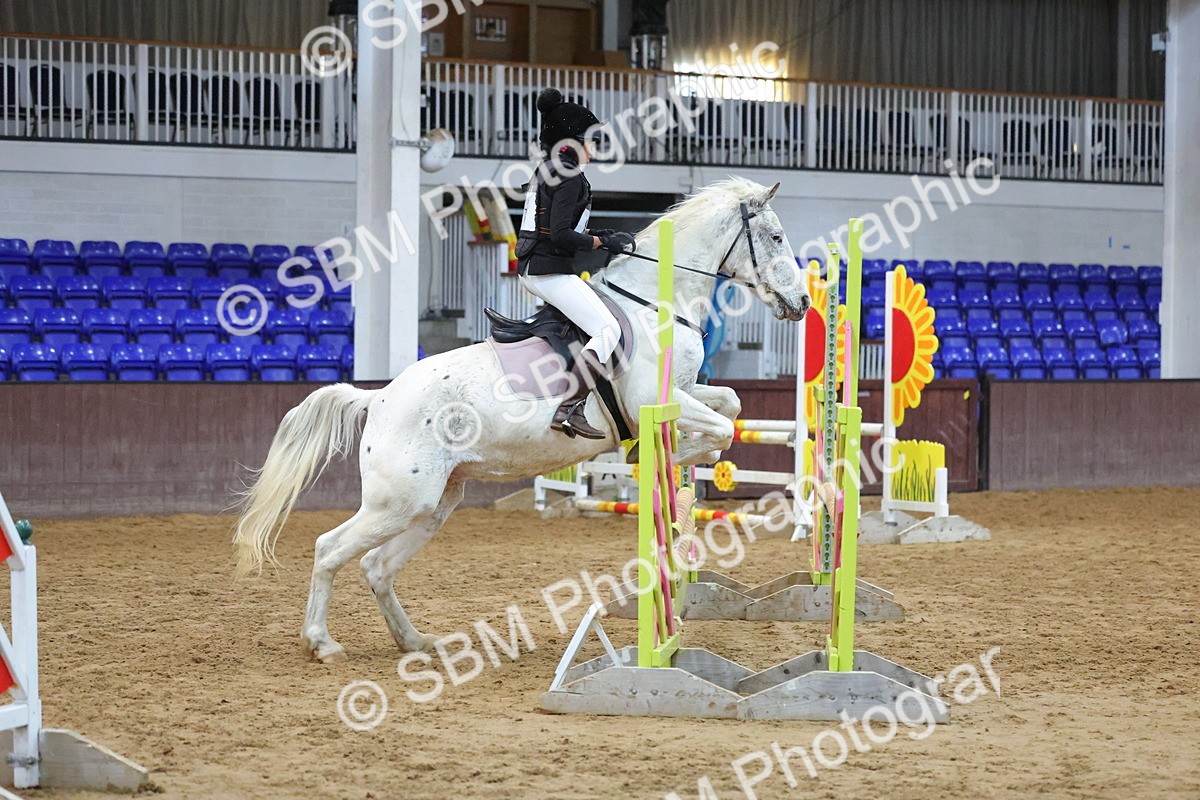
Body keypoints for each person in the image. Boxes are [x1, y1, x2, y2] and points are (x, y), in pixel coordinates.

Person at [516, 88, 636, 440]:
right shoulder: (567, 174)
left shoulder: (551, 169)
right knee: (607, 330)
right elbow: (561, 236)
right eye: (591, 140)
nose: (595, 148)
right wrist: (600, 243)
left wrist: (602, 234)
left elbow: (563, 228)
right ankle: (570, 408)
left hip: (538, 266)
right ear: (570, 142)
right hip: (547, 270)